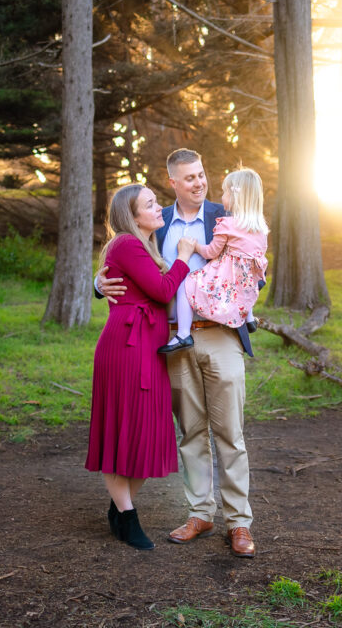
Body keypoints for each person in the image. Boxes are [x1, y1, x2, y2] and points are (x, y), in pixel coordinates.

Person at [96, 148, 257, 558]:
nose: (199, 183)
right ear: (173, 182)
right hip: (170, 341)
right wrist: (98, 284)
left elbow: (254, 263)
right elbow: (123, 262)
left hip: (220, 335)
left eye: (202, 175)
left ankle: (238, 523)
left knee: (230, 433)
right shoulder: (157, 222)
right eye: (189, 178)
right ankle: (200, 513)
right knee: (190, 432)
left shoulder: (228, 216)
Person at [86, 183, 196, 550]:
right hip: (126, 349)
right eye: (150, 204)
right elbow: (163, 291)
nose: (158, 207)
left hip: (149, 347)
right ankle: (128, 517)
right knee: (122, 428)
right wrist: (182, 257)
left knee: (147, 431)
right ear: (132, 217)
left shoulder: (145, 244)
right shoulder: (128, 244)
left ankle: (119, 508)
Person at [159, 168, 268, 354]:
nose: (223, 196)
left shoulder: (227, 224)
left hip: (225, 274)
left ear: (235, 197)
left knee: (185, 284)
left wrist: (195, 247)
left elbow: (211, 252)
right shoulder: (260, 227)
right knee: (244, 285)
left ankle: (183, 334)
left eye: (225, 192)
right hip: (246, 277)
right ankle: (249, 317)